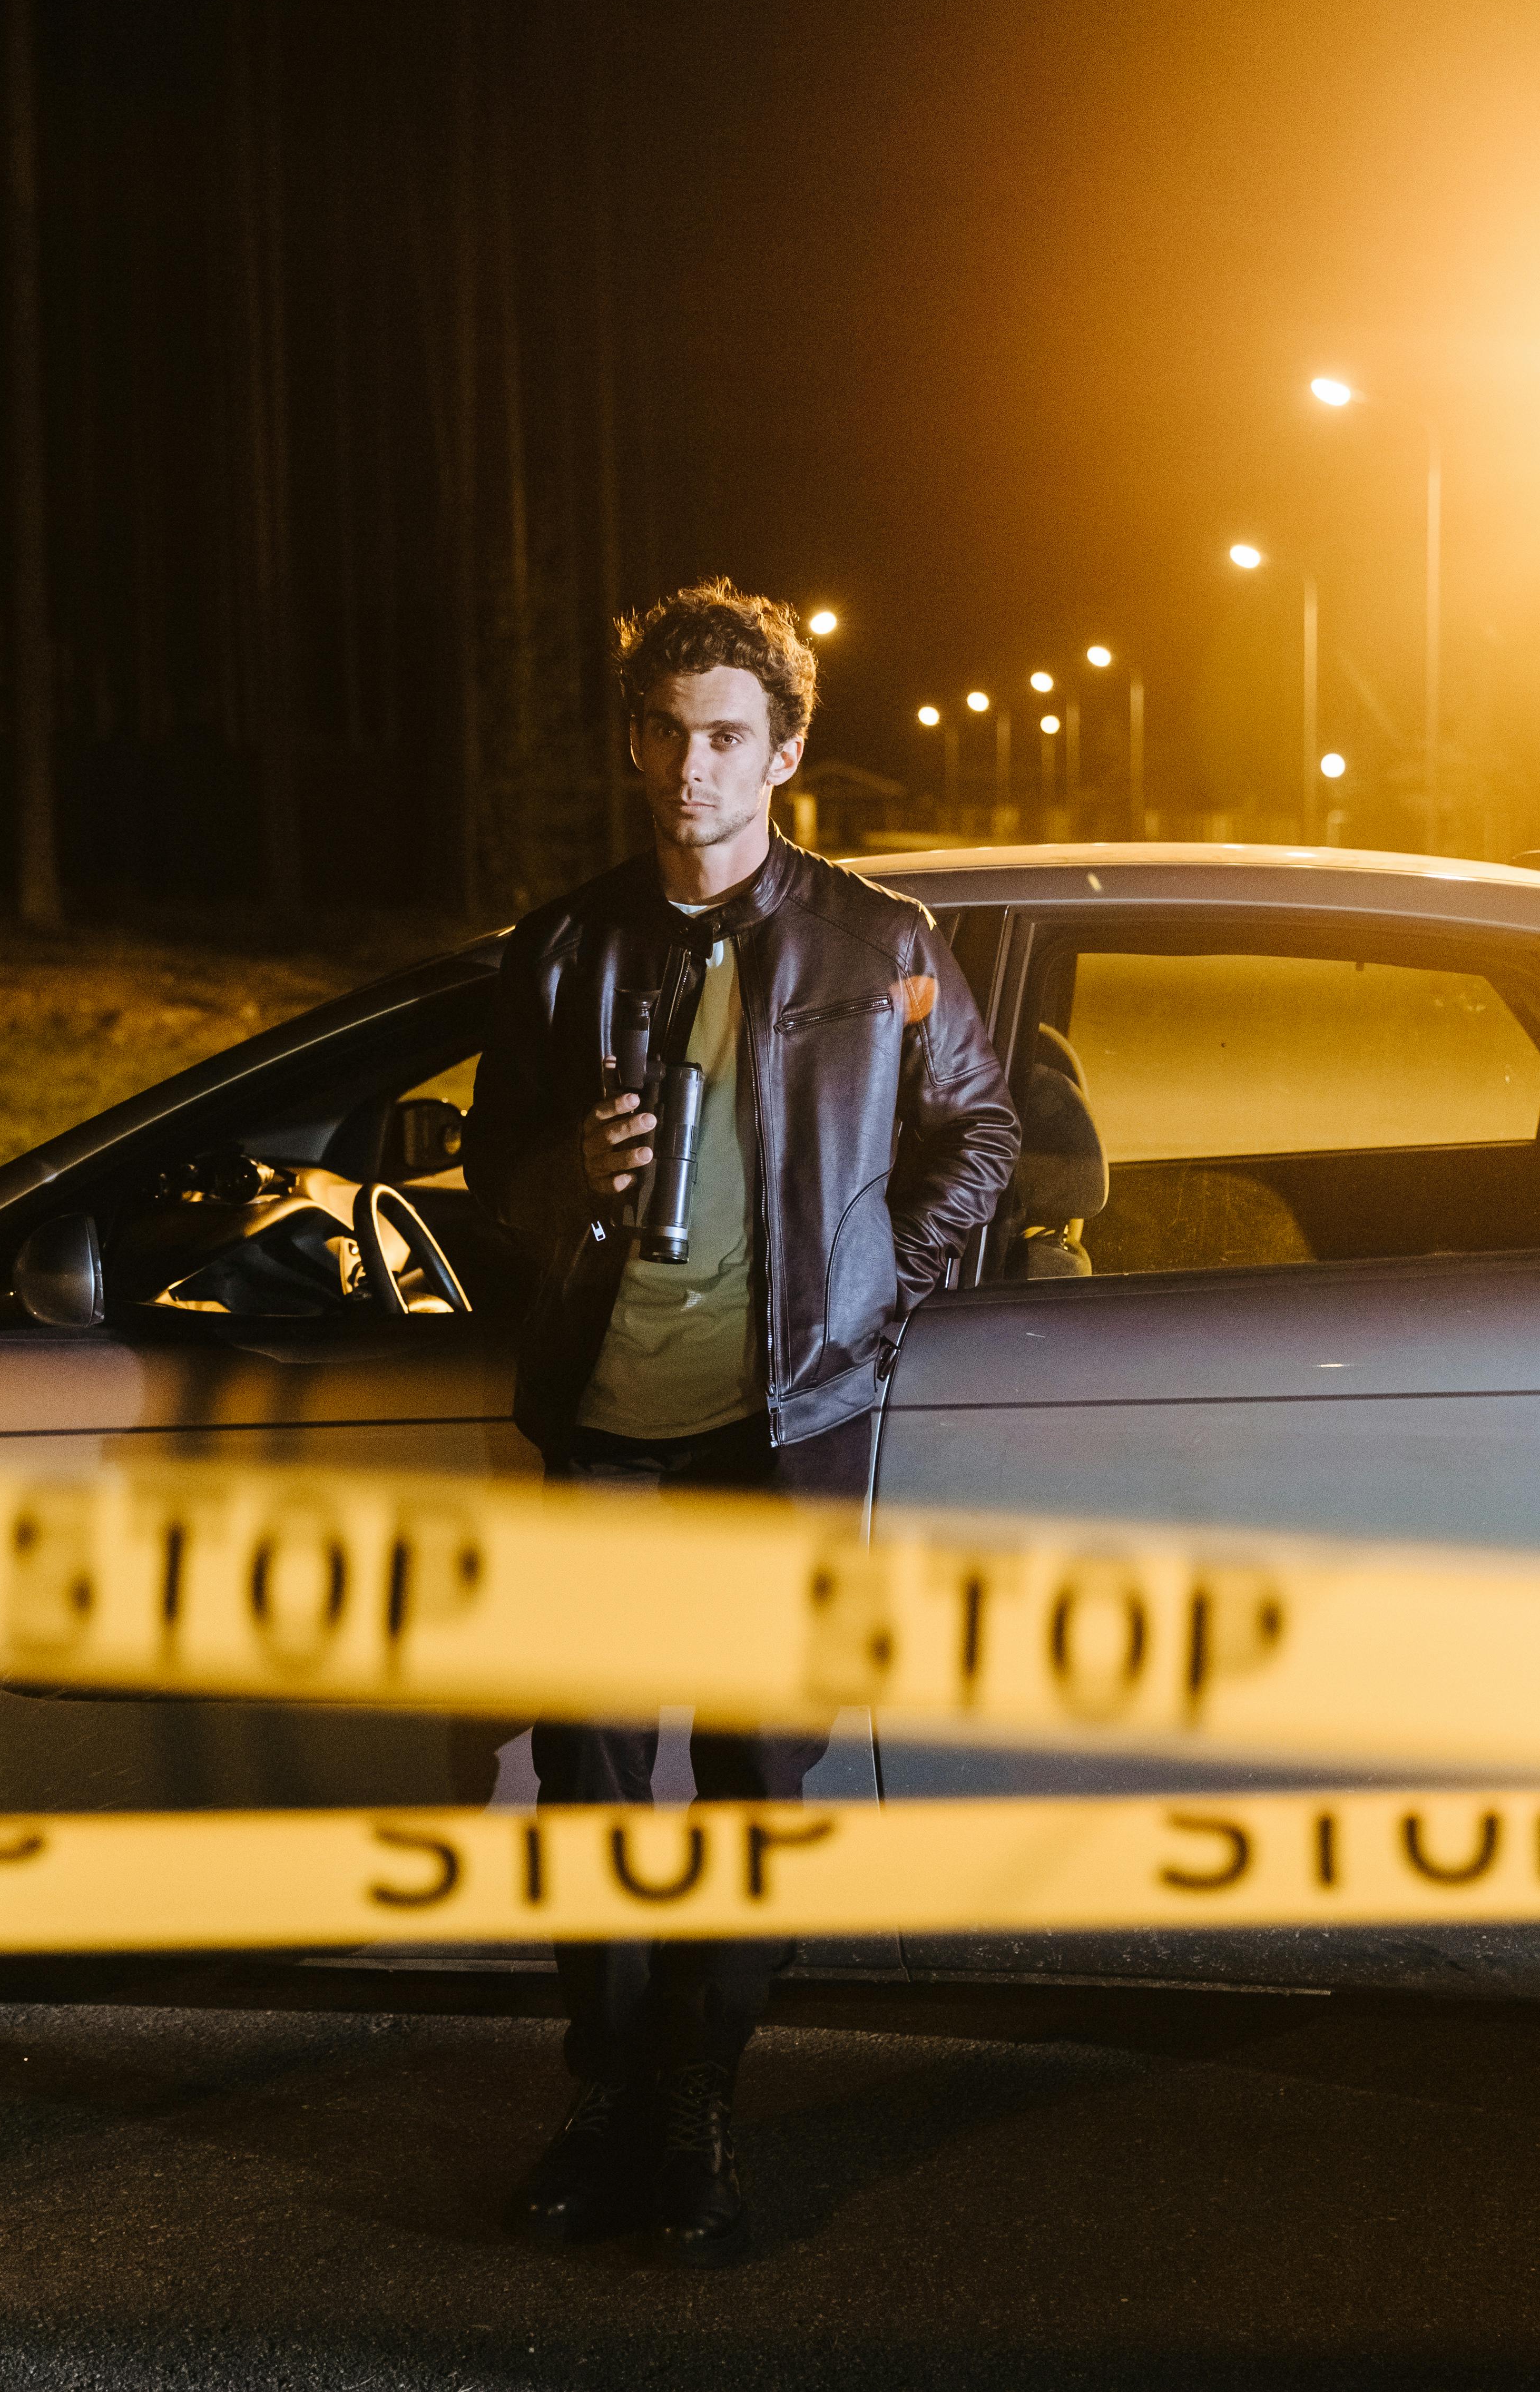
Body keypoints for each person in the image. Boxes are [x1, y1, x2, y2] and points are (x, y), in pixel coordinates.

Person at [464, 581, 1019, 2264]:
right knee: (589, 1764)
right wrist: (566, 1180)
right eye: (662, 734)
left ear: (783, 750)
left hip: (783, 1422)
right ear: (632, 745)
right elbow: (488, 1178)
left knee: (756, 1771)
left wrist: (871, 1288)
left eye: (724, 737)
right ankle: (605, 2084)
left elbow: (980, 1133)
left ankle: (699, 2089)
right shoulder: (565, 946)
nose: (689, 769)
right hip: (609, 1423)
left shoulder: (875, 943)